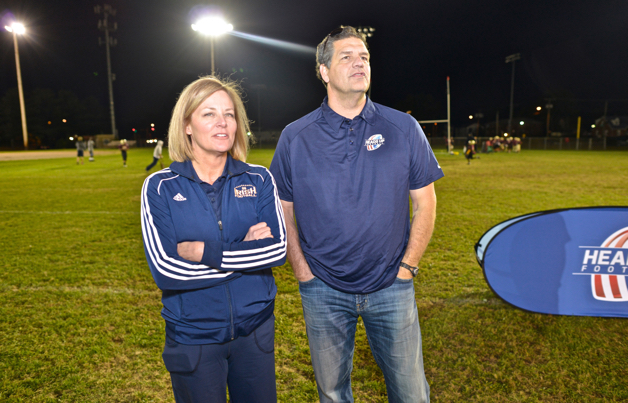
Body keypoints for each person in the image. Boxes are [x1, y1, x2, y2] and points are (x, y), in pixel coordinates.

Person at [270, 26, 444, 403]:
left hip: (391, 286)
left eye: (363, 56)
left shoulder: (403, 127)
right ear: (323, 71)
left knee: (411, 391)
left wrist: (407, 268)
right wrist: (303, 271)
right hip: (323, 288)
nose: (358, 62)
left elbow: (426, 203)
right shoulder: (295, 136)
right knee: (332, 393)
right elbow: (282, 211)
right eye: (346, 57)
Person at [141, 76, 286, 403]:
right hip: (194, 337)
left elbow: (277, 250)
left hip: (255, 333)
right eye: (209, 114)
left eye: (229, 114)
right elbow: (167, 271)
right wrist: (248, 254)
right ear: (187, 125)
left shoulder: (259, 178)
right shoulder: (160, 187)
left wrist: (207, 252)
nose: (222, 122)